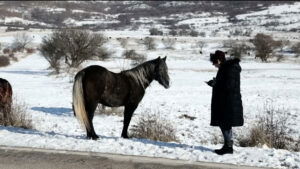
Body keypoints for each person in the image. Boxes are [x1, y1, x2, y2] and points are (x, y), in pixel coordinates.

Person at [206, 50, 244, 155]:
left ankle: (228, 147)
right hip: (227, 101)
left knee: (225, 124)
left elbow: (229, 86)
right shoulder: (227, 68)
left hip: (228, 102)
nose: (214, 65)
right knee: (225, 124)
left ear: (218, 60)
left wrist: (215, 84)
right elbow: (225, 83)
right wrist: (215, 83)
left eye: (214, 62)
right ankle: (227, 146)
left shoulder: (229, 69)